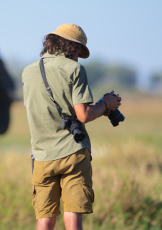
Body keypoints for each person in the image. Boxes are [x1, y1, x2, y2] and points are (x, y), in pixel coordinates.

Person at [21, 23, 121, 230]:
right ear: (72, 47)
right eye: (78, 51)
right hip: (72, 152)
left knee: (45, 218)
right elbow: (83, 115)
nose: (78, 56)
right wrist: (105, 105)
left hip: (41, 156)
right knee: (73, 216)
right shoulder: (75, 69)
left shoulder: (28, 72)